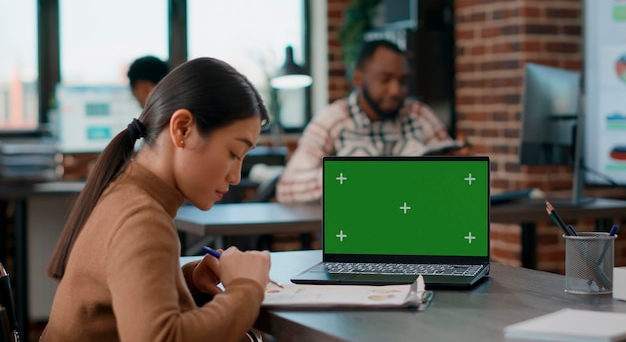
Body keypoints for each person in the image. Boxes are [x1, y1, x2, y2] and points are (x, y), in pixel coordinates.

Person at [42, 57, 271, 342]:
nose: (236, 176)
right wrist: (247, 288)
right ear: (182, 129)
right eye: (234, 153)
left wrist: (186, 279)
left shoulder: (125, 192)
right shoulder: (142, 218)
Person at [276, 39, 461, 204]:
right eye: (385, 79)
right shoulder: (332, 121)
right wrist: (347, 178)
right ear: (358, 79)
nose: (396, 90)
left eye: (403, 81)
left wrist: (460, 166)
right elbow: (287, 188)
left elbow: (453, 179)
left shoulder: (419, 115)